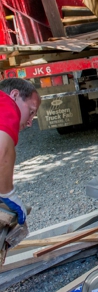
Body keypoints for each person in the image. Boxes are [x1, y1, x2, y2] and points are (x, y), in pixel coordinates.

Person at [0, 78, 41, 224]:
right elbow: (3, 150)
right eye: (31, 111)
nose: (30, 122)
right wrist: (8, 194)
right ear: (15, 95)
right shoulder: (5, 103)